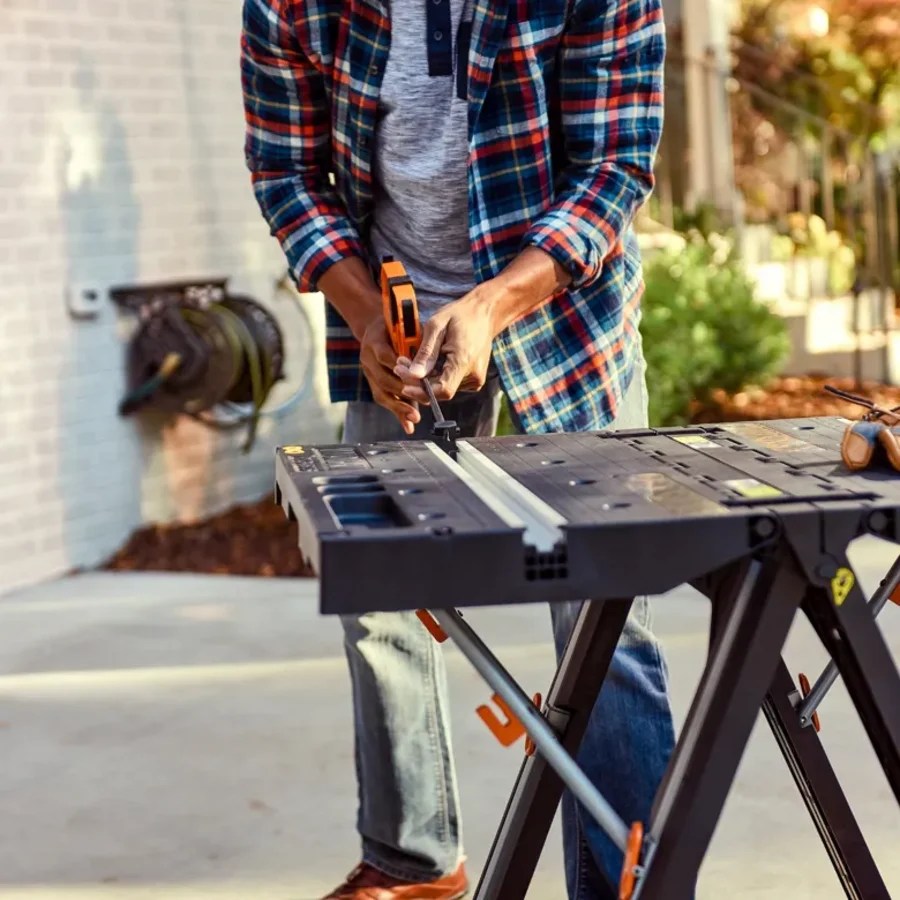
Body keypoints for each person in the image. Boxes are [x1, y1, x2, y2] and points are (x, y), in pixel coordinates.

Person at [241, 1, 675, 897]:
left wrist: (489, 307)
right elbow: (286, 170)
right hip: (390, 323)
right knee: (383, 593)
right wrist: (366, 315)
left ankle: (629, 885)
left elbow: (613, 167)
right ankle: (415, 863)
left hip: (560, 321)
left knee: (603, 613)